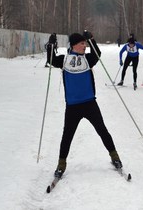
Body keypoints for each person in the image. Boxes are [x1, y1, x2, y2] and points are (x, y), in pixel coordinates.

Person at [47, 31, 123, 179]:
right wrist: (51, 45)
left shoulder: (88, 58)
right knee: (67, 136)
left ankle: (115, 157)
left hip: (89, 104)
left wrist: (91, 39)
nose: (85, 46)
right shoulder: (64, 60)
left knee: (102, 130)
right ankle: (61, 165)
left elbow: (97, 53)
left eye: (85, 43)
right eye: (82, 43)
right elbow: (51, 59)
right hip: (72, 106)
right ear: (74, 45)